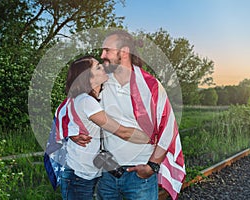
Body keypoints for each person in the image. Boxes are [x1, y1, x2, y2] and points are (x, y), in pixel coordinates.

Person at [72, 30, 186, 200]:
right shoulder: (100, 81)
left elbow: (168, 127)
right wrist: (72, 132)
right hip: (107, 172)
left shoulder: (151, 86)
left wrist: (152, 167)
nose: (102, 55)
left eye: (107, 50)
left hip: (139, 175)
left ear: (124, 52)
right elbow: (74, 105)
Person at [45, 55, 151, 200]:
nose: (103, 67)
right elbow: (122, 132)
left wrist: (72, 132)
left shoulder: (81, 98)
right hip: (79, 177)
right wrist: (152, 138)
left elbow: (62, 114)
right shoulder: (87, 101)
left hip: (84, 173)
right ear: (88, 77)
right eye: (98, 67)